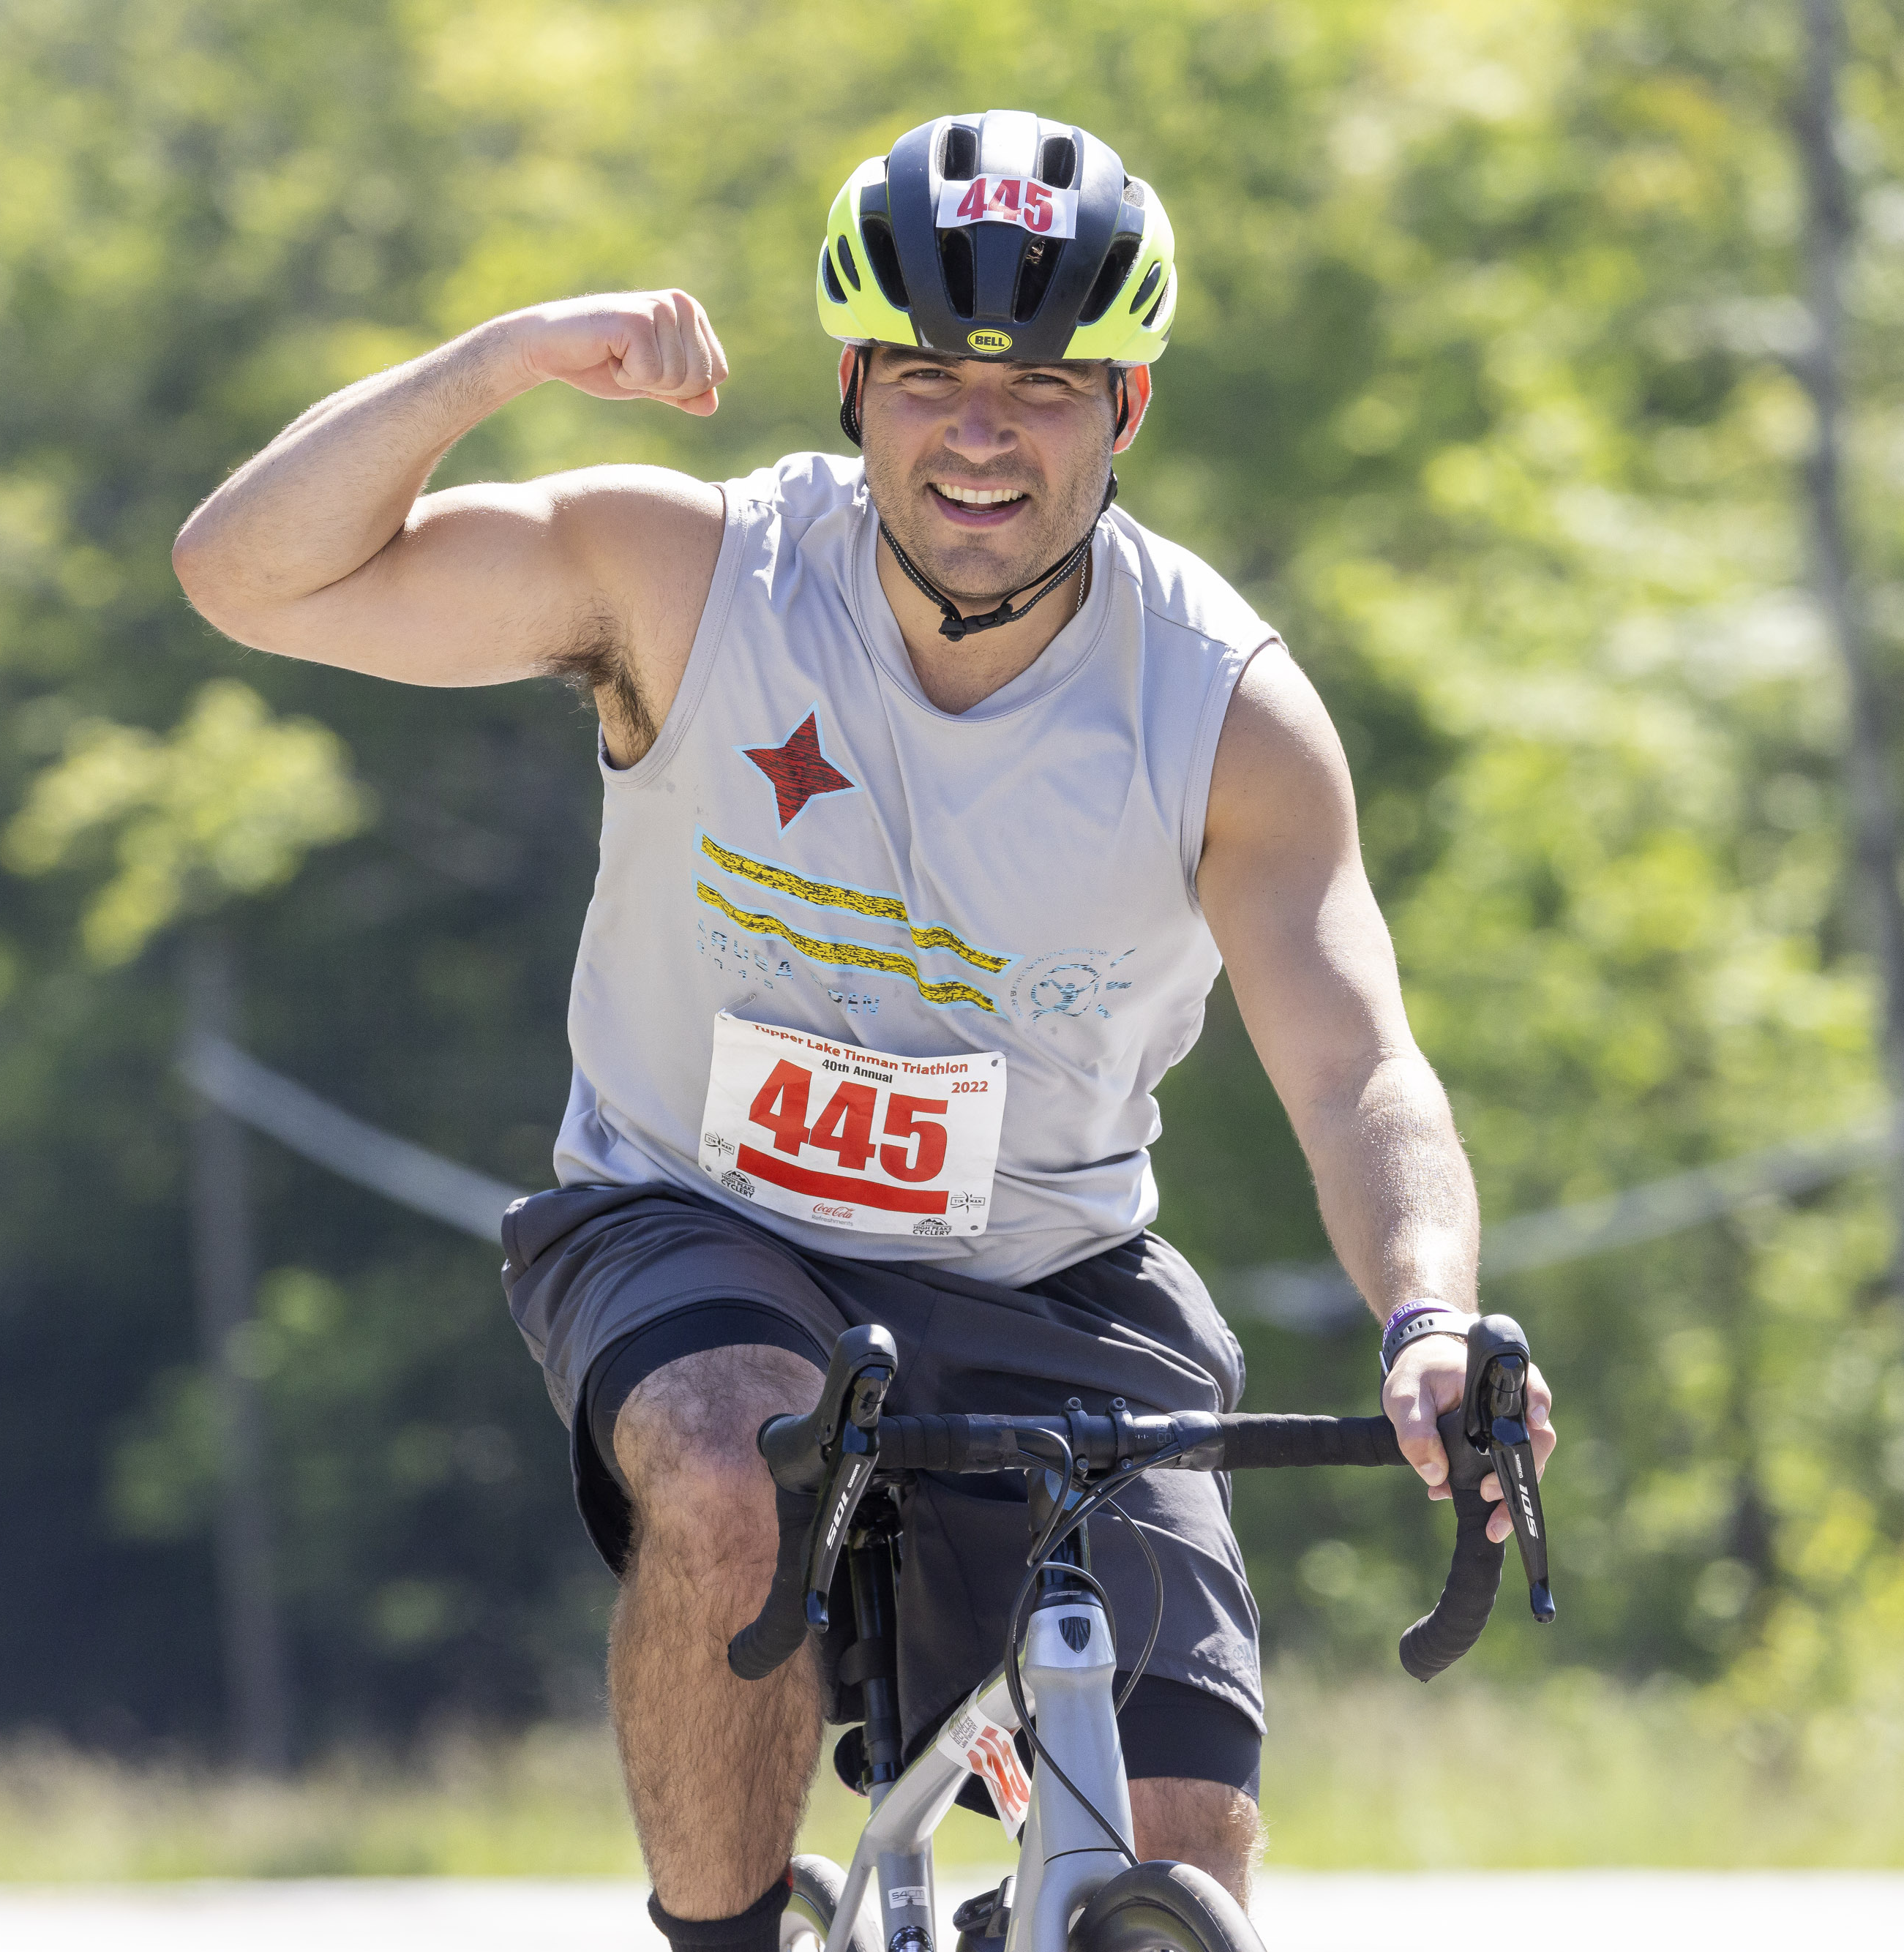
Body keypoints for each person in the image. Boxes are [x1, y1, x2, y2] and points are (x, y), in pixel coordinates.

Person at [173, 108, 1554, 1944]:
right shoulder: (687, 576)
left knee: (1180, 1844)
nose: (981, 429)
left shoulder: (1220, 707)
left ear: (1126, 410)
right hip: (694, 1217)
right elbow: (244, 574)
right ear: (851, 383)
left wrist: (1430, 1314)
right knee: (728, 1457)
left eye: (1047, 385)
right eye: (926, 375)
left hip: (1049, 1270)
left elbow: (1356, 1061)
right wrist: (505, 360)